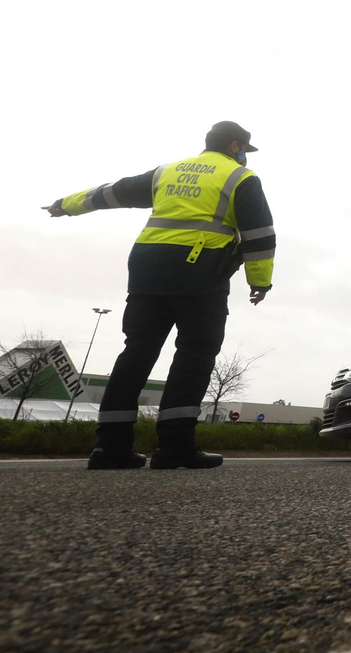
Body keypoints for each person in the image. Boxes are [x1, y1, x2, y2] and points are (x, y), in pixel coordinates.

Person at [44, 121, 276, 470]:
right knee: (195, 354)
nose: (245, 156)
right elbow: (258, 234)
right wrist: (260, 281)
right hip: (200, 273)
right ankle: (175, 446)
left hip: (146, 270)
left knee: (136, 352)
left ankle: (110, 448)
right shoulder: (240, 177)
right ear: (234, 146)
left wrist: (66, 204)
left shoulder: (166, 172)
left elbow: (112, 192)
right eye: (244, 149)